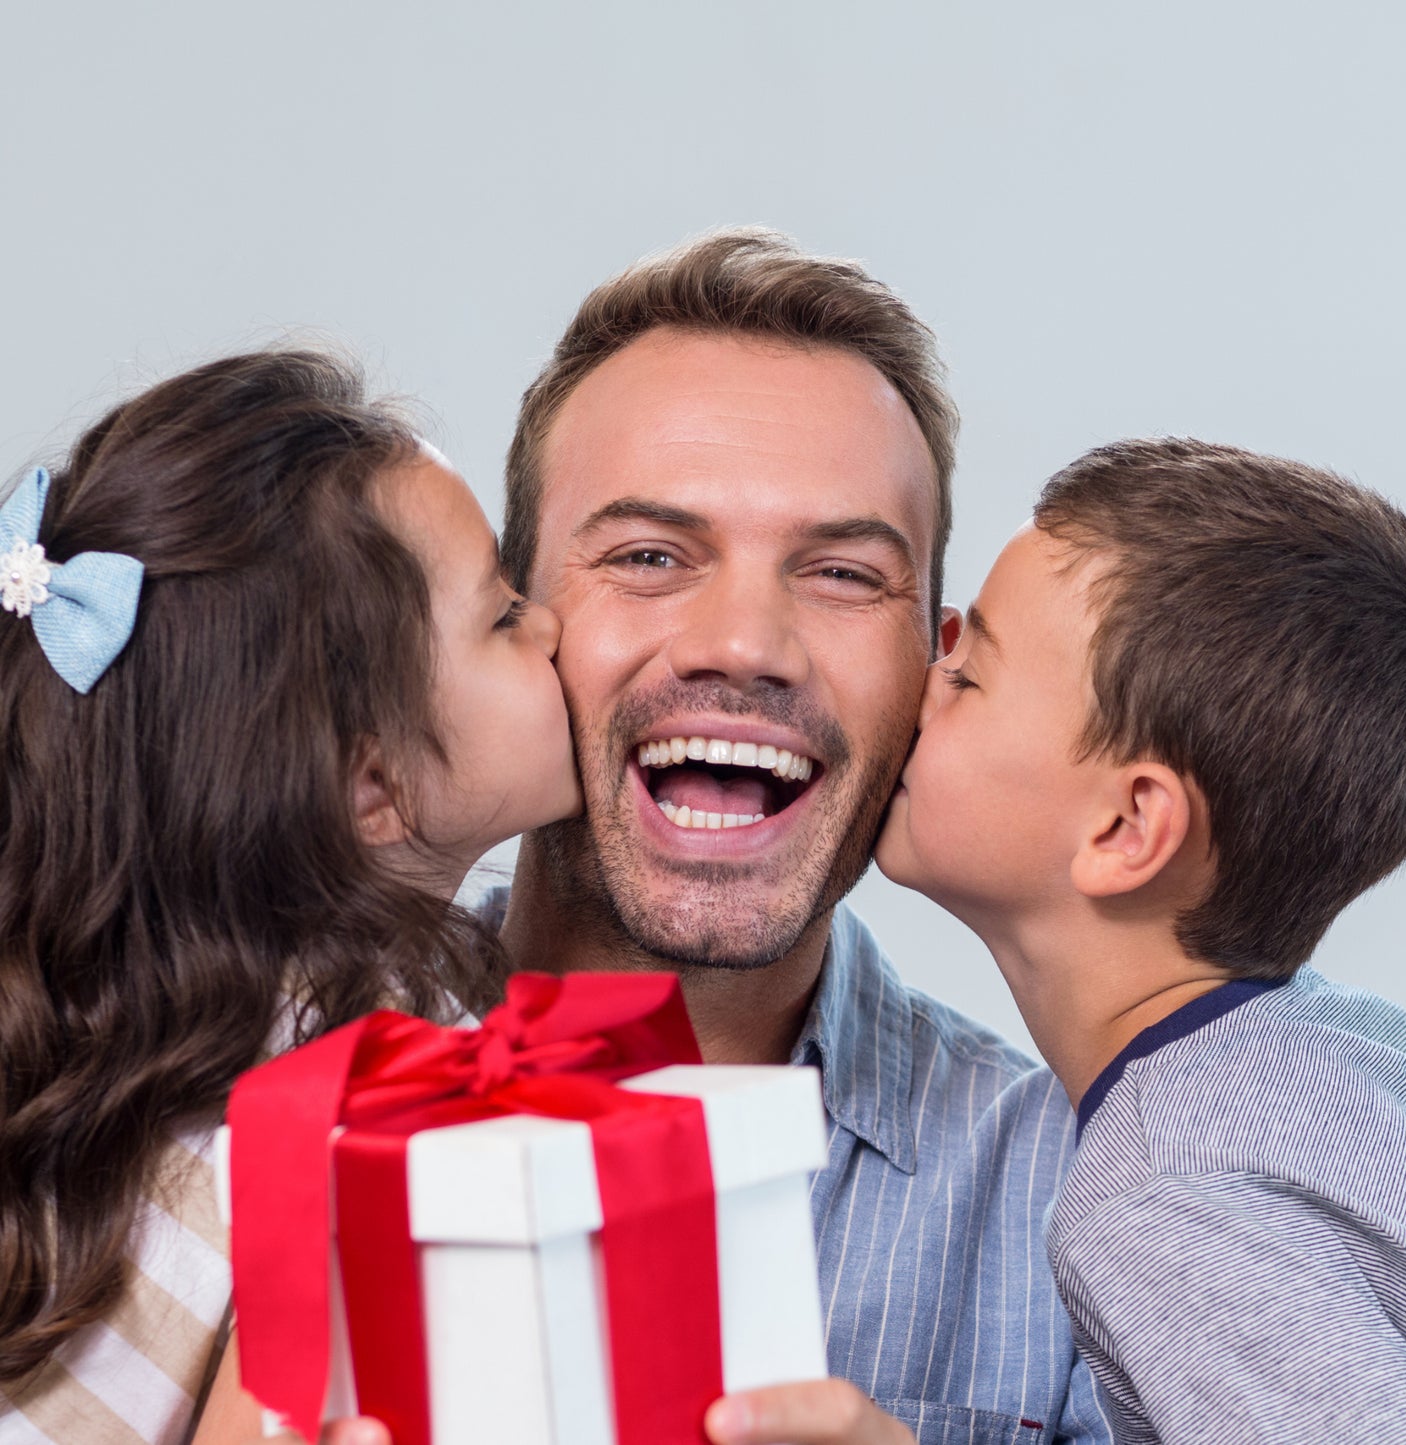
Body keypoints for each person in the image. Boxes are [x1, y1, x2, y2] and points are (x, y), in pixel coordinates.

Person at [480, 228, 1109, 1445]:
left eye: (838, 573)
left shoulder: (1093, 1204)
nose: (745, 641)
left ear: (936, 664)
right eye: (650, 556)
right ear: (509, 625)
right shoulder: (212, 1064)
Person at [0, 349, 580, 1445]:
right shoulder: (389, 1054)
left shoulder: (134, 1015)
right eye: (503, 616)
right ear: (373, 784)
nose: (548, 625)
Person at [876, 437, 1406, 1443]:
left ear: (1124, 829)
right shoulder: (1341, 1042)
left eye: (967, 673)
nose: (920, 675)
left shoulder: (1166, 1188)